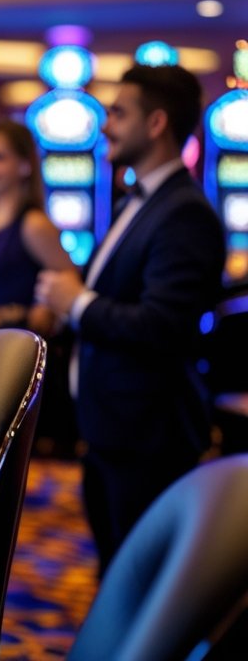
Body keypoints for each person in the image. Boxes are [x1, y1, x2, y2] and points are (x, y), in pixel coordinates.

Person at [36, 63, 225, 572]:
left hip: (149, 434)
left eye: (118, 113)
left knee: (139, 581)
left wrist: (76, 302)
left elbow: (161, 327)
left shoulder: (185, 213)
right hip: (108, 427)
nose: (105, 125)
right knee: (114, 570)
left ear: (157, 123)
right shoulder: (133, 202)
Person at [0, 120, 71, 341]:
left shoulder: (33, 224)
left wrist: (0, 316)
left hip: (11, 354)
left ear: (24, 165)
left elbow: (70, 289)